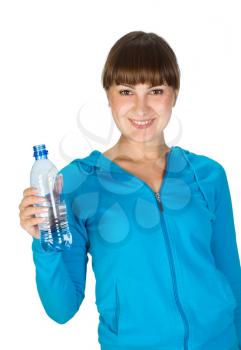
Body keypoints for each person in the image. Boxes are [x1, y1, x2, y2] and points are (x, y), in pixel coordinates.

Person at [18, 31, 241, 350]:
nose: (141, 107)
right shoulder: (77, 184)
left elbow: (230, 275)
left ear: (174, 94)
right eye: (126, 91)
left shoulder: (207, 174)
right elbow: (61, 310)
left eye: (156, 90)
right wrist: (44, 243)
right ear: (108, 97)